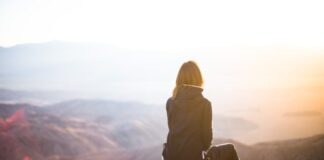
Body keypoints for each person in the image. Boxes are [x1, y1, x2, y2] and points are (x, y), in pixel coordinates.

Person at [163, 60, 212, 160]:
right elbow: (207, 143)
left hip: (171, 156)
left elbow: (173, 130)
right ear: (199, 79)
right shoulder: (205, 104)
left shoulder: (170, 102)